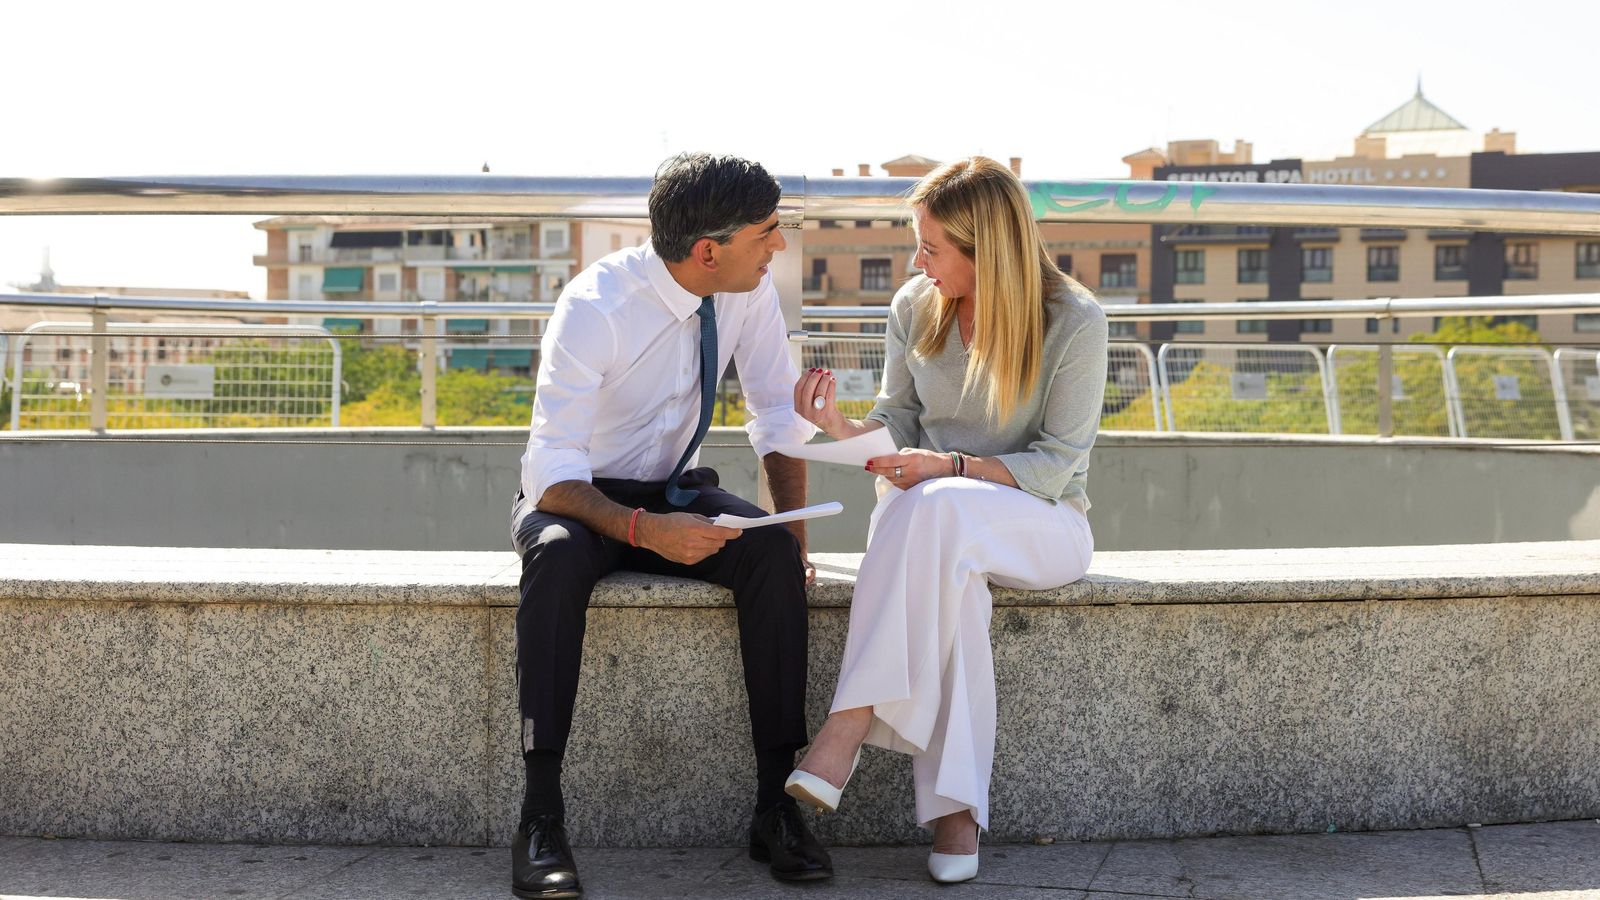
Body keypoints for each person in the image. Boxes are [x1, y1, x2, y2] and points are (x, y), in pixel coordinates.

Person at [509, 153, 831, 898]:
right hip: (577, 499)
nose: (778, 247)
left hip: (674, 491)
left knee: (772, 554)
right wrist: (644, 532)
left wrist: (795, 543)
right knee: (553, 562)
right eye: (767, 233)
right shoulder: (595, 306)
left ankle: (775, 808)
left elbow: (776, 417)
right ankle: (540, 819)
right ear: (707, 250)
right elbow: (551, 473)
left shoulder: (746, 291)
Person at [785, 156, 1106, 883]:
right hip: (929, 523)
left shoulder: (1076, 321)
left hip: (1043, 524)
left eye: (931, 248)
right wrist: (842, 425)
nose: (916, 261)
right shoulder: (913, 307)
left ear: (985, 250)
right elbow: (900, 421)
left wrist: (951, 468)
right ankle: (955, 816)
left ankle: (849, 723)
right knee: (953, 582)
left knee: (937, 507)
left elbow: (1056, 466)